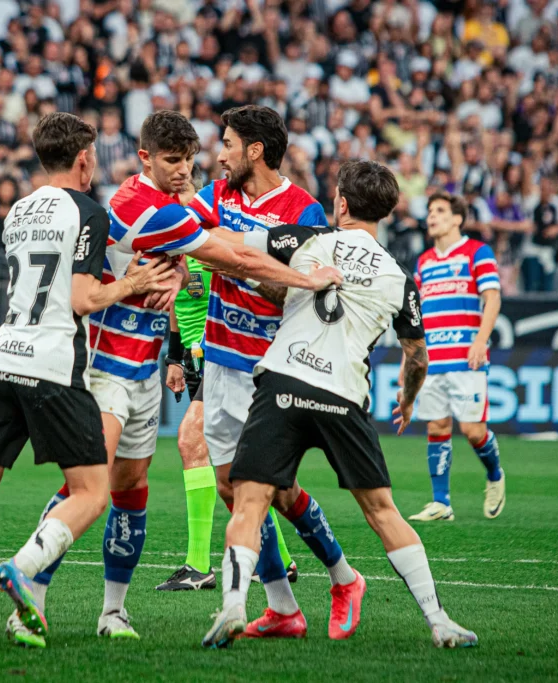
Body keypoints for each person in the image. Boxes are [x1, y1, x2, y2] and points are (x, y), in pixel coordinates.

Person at [6, 110, 343, 645]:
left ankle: (113, 612)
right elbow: (229, 254)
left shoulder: (182, 204)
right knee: (88, 484)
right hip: (106, 363)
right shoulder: (141, 204)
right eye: (173, 161)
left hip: (150, 368)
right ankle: (28, 591)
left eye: (191, 158)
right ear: (145, 159)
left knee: (133, 488)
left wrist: (182, 270)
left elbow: (187, 249)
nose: (187, 169)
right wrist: (306, 278)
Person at [202, 160, 478, 650]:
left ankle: (233, 606)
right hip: (343, 393)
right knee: (381, 510)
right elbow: (418, 355)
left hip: (283, 378)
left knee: (249, 500)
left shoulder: (307, 239)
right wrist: (408, 399)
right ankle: (439, 620)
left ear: (342, 204)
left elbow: (230, 245)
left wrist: (186, 238)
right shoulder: (399, 278)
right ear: (385, 214)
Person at [0, 112, 176, 644]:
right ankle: (21, 567)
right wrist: (130, 283)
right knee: (91, 492)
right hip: (53, 364)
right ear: (83, 159)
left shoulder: (17, 210)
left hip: (2, 358)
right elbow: (83, 298)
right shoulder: (87, 210)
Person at [184, 106, 364, 639]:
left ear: (255, 151)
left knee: (272, 490)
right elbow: (185, 240)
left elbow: (293, 290)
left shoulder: (304, 212)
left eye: (228, 144)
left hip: (267, 366)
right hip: (218, 356)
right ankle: (283, 608)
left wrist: (239, 266)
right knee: (227, 487)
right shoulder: (216, 196)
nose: (219, 154)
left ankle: (343, 576)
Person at [408, 192, 505, 523]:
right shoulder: (423, 262)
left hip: (467, 357)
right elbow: (417, 316)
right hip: (434, 358)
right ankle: (441, 503)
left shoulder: (478, 252)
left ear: (457, 219)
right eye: (430, 211)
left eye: (440, 211)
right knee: (437, 425)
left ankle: (494, 474)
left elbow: (492, 298)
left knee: (473, 429)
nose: (432, 216)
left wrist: (481, 339)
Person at [157, 166, 220, 591]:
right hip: (197, 362)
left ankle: (199, 565)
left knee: (190, 442)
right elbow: (178, 309)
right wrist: (175, 359)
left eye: (185, 197)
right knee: (238, 465)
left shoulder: (215, 243)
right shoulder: (170, 251)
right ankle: (282, 561)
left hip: (223, 357)